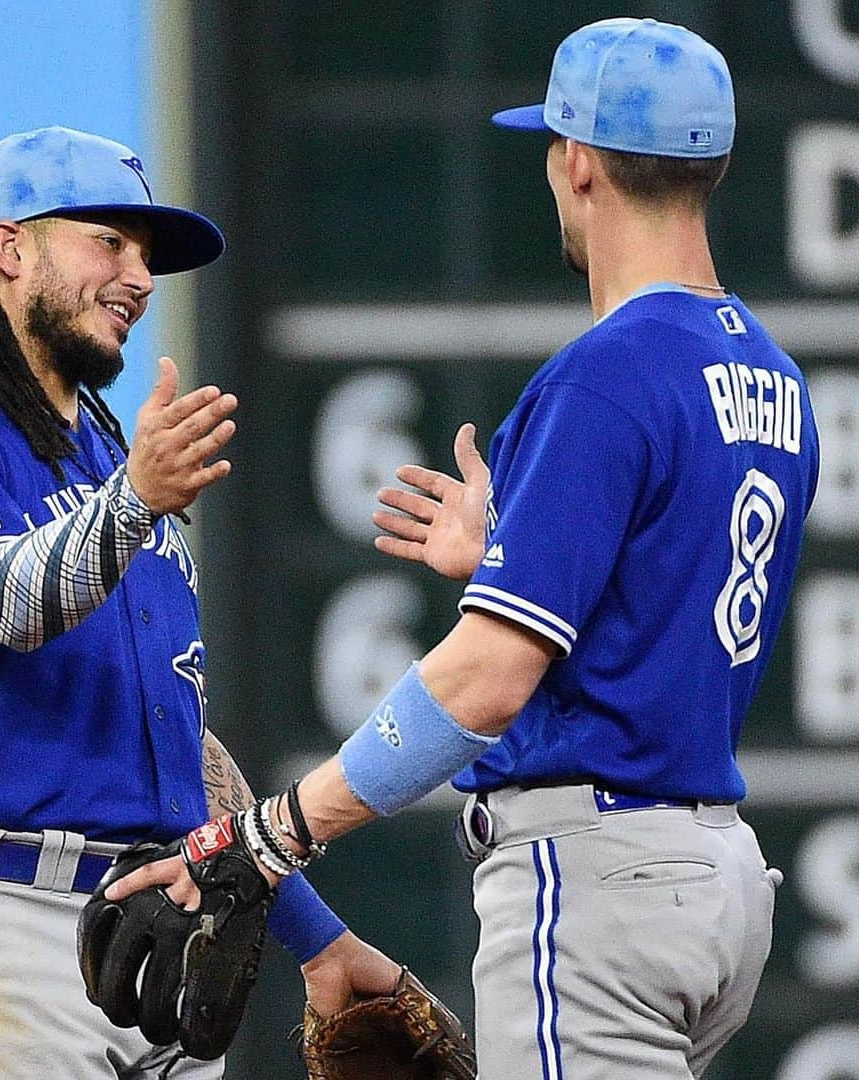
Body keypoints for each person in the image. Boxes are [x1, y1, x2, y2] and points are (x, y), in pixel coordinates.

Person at [111, 20, 821, 1080]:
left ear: (577, 159)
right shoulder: (776, 381)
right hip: (715, 881)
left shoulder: (608, 374)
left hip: (603, 885)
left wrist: (270, 838)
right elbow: (661, 605)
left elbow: (487, 682)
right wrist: (508, 562)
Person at [0, 126, 397, 1080]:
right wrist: (135, 498)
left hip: (159, 930)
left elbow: (185, 750)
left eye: (148, 257)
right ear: (9, 249)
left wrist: (317, 936)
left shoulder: (106, 459)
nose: (140, 276)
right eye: (110, 240)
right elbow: (2, 602)